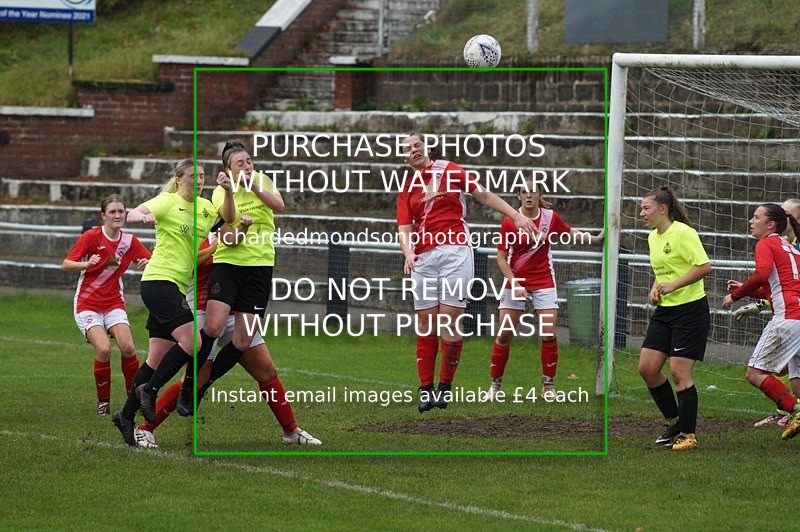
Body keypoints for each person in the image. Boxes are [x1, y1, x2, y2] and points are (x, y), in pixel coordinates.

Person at [134, 222, 320, 447]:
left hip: (234, 314)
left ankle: (291, 431)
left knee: (267, 371)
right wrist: (216, 247)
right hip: (201, 312)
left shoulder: (238, 235)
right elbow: (185, 263)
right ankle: (144, 429)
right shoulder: (197, 232)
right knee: (196, 380)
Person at [146, 138, 285, 424]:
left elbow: (279, 205)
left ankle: (200, 389)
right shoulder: (219, 195)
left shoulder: (260, 179)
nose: (246, 166)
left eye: (248, 161)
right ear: (228, 169)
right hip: (229, 264)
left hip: (260, 266)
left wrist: (253, 185)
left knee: (244, 342)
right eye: (240, 163)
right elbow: (229, 221)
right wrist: (231, 191)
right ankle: (179, 394)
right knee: (211, 326)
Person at [396, 131, 536, 413]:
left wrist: (516, 215)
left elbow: (483, 194)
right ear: (403, 156)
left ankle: (445, 387)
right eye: (407, 148)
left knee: (449, 319)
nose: (413, 150)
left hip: (455, 252)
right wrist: (408, 252)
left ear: (427, 147)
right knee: (425, 321)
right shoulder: (408, 187)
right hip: (423, 257)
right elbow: (404, 227)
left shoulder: (451, 170)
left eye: (417, 145)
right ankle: (425, 389)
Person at [111, 158, 233, 446]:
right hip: (159, 282)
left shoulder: (205, 208)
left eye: (203, 176)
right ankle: (149, 391)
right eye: (193, 176)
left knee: (156, 358)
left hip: (177, 287)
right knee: (194, 342)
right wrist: (143, 217)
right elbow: (135, 213)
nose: (199, 181)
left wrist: (228, 192)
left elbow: (228, 217)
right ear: (179, 179)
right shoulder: (167, 201)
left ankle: (125, 416)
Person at [484, 181, 603, 401]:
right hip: (515, 282)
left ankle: (548, 387)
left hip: (544, 280)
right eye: (524, 192)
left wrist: (595, 239)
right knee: (505, 334)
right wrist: (516, 284)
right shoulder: (510, 220)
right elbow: (501, 258)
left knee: (548, 332)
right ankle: (495, 386)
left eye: (533, 191)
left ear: (540, 194)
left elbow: (569, 233)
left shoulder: (550, 217)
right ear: (518, 196)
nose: (529, 195)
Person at [62, 194, 150, 415]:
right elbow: (66, 265)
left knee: (128, 348)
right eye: (112, 212)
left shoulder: (130, 241)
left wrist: (147, 262)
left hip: (113, 303)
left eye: (121, 211)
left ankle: (134, 400)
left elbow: (151, 261)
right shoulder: (91, 237)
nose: (117, 215)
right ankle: (103, 402)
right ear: (103, 216)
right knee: (103, 348)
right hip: (87, 304)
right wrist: (86, 263)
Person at [638, 186, 711, 451]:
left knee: (680, 373)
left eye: (646, 208)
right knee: (647, 368)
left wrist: (675, 285)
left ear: (663, 209)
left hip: (690, 311)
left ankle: (688, 436)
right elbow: (664, 270)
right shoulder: (652, 237)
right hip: (666, 311)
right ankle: (676, 422)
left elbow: (704, 267)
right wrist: (655, 288)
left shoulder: (684, 233)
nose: (642, 213)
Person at [722, 203, 800, 440]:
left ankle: (796, 411)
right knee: (797, 381)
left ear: (771, 224)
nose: (751, 221)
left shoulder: (766, 243)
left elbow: (762, 275)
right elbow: (775, 288)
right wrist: (746, 291)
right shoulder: (791, 247)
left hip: (787, 318)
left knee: (754, 373)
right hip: (798, 315)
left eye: (756, 217)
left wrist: (734, 296)